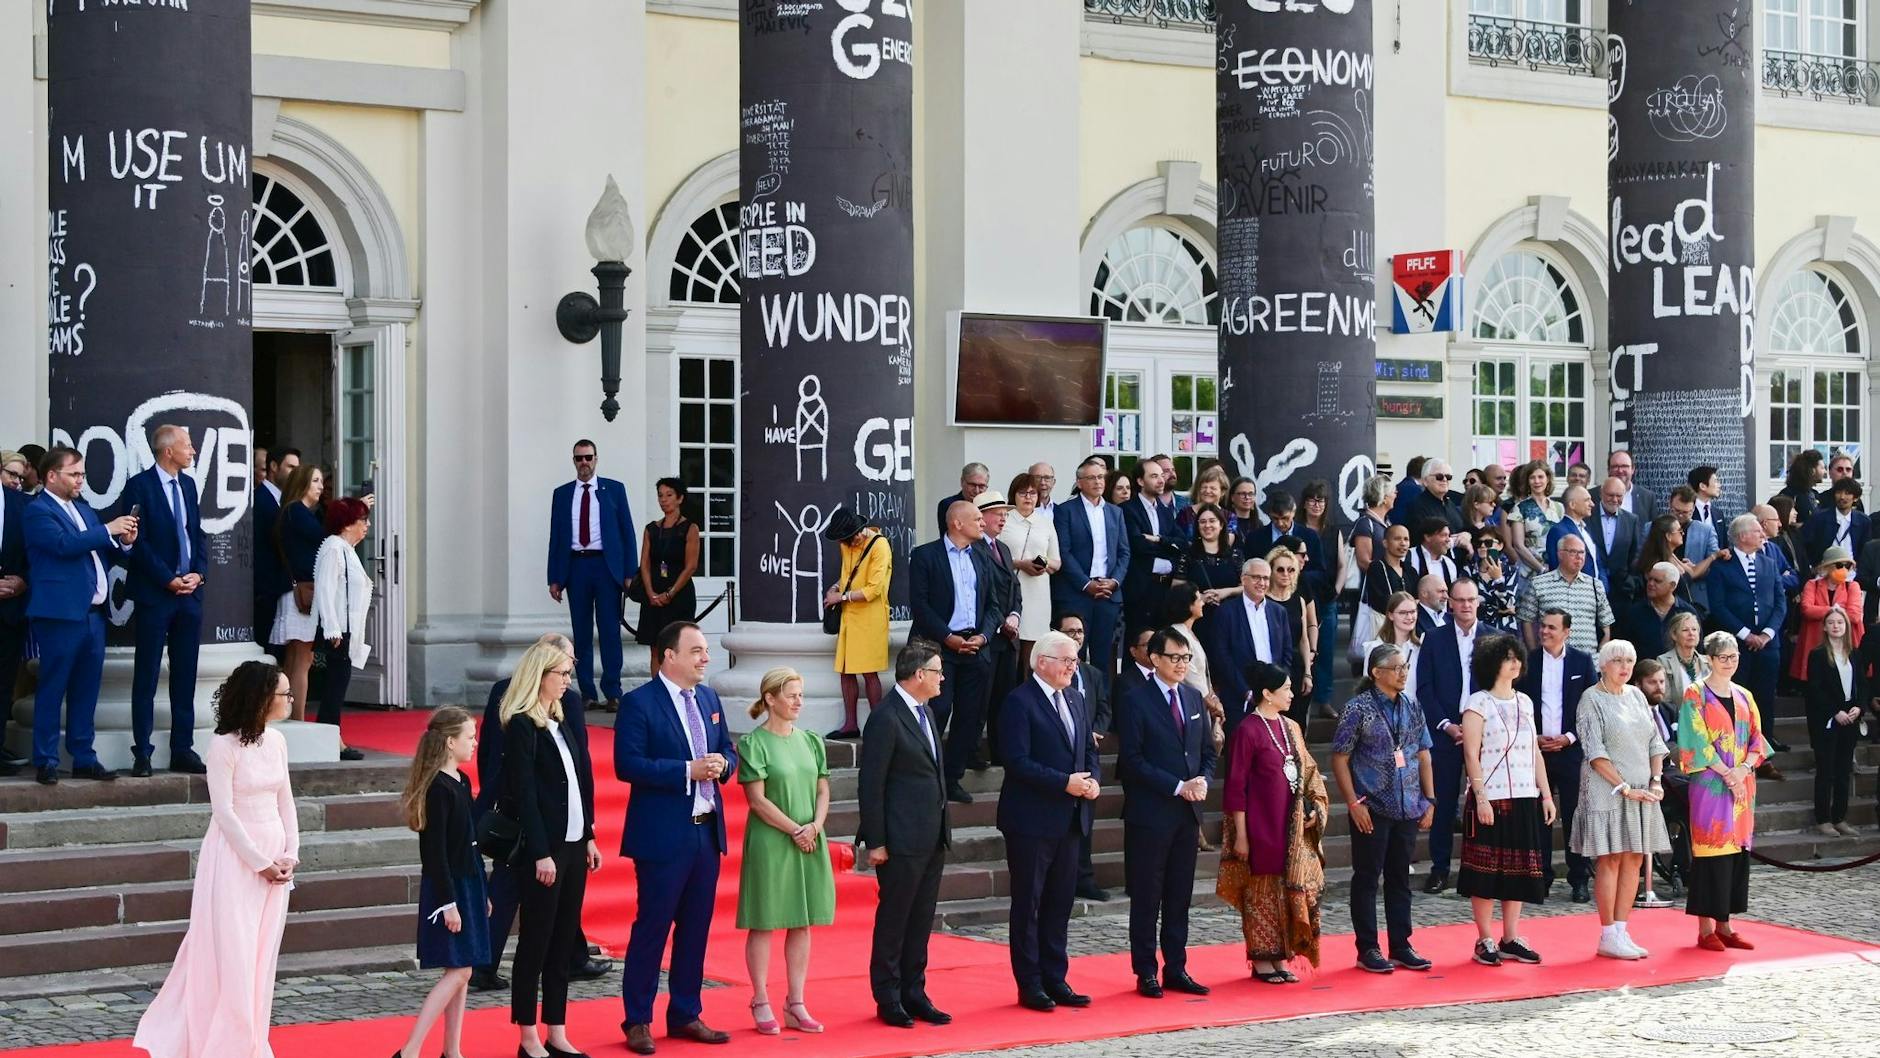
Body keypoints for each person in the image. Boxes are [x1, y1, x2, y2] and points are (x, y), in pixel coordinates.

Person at [132, 660, 298, 1058]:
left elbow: (285, 799)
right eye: (284, 694)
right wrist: (260, 862)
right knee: (234, 955)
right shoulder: (222, 746)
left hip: (275, 857)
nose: (290, 700)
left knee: (261, 957)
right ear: (261, 698)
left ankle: (253, 1041)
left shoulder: (276, 742)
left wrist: (291, 853)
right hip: (234, 860)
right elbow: (224, 813)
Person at [615, 623, 735, 1053]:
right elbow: (628, 764)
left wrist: (724, 762)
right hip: (663, 835)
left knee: (696, 928)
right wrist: (686, 770)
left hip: (706, 833)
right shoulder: (639, 703)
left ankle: (685, 1011)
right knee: (653, 926)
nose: (705, 658)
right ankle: (638, 1019)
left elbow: (727, 749)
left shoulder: (708, 698)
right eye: (697, 650)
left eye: (705, 651)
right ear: (669, 655)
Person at [470, 634, 605, 995]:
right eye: (566, 665)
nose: (569, 675)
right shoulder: (553, 704)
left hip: (512, 804)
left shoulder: (506, 688)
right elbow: (578, 768)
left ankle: (568, 956)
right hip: (531, 813)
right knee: (512, 885)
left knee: (523, 887)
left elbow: (574, 761)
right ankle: (497, 967)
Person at [500, 642, 601, 1058]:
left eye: (568, 674)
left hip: (575, 844)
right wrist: (541, 852)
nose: (566, 681)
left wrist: (590, 834)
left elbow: (581, 782)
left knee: (563, 942)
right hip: (545, 850)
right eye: (561, 673)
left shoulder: (561, 722)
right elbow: (524, 794)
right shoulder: (523, 725)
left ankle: (556, 1029)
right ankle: (527, 1035)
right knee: (536, 942)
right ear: (540, 675)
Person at [996, 629, 1101, 1012]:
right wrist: (1064, 783)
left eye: (1076, 660)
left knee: (1059, 903)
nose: (1074, 667)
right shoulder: (1019, 702)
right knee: (1029, 903)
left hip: (1071, 818)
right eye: (1067, 660)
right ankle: (1030, 983)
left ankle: (1056, 977)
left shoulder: (1074, 698)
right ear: (1042, 662)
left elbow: (1087, 749)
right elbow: (1016, 760)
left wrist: (1091, 782)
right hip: (1031, 820)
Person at [24, 446, 137, 784]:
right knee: (53, 686)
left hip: (92, 615)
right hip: (59, 614)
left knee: (87, 690)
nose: (80, 480)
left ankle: (83, 756)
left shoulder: (85, 511)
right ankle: (45, 759)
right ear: (51, 476)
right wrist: (108, 529)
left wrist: (125, 541)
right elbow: (64, 545)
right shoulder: (36, 510)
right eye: (74, 474)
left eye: (82, 474)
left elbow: (102, 547)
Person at [1115, 626, 1215, 998]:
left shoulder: (1191, 697)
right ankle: (1145, 970)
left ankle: (1177, 966)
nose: (1181, 664)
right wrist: (1177, 786)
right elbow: (1133, 759)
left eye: (1186, 657)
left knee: (1179, 895)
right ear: (1154, 659)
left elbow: (1206, 750)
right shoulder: (1135, 699)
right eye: (1174, 657)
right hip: (1150, 812)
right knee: (1147, 895)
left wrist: (1202, 779)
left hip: (1187, 814)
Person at [859, 639, 953, 1029]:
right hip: (899, 839)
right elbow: (871, 784)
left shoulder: (926, 714)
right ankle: (889, 995)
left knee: (921, 919)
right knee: (895, 919)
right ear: (918, 675)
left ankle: (915, 991)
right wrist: (877, 841)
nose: (942, 678)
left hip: (931, 836)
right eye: (937, 671)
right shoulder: (886, 717)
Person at [737, 668, 834, 1035]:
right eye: (791, 695)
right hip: (772, 840)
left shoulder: (810, 740)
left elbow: (823, 789)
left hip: (809, 837)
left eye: (800, 695)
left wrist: (815, 827)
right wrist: (795, 829)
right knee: (764, 920)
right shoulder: (754, 744)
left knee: (801, 919)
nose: (799, 702)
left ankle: (796, 1001)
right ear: (771, 700)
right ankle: (760, 998)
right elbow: (757, 801)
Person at [1218, 662, 1326, 983]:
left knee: (1285, 888)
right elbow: (1236, 786)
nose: (1292, 694)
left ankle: (1283, 955)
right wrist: (1240, 835)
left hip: (1290, 825)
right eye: (1286, 689)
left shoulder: (1291, 727)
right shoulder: (1247, 731)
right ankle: (1263, 958)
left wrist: (1312, 809)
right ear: (1267, 694)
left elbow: (1308, 773)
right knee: (1262, 891)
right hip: (1260, 823)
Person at [1332, 643, 1435, 974]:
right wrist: (1352, 802)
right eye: (1397, 668)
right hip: (1371, 805)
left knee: (1399, 877)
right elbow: (1340, 757)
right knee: (1367, 877)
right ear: (1377, 673)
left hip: (1406, 805)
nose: (1403, 673)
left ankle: (1401, 943)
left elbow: (1423, 753)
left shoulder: (1411, 705)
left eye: (1405, 667)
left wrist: (1429, 799)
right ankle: (1368, 948)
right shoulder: (1357, 709)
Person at [395, 706, 488, 1058]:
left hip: (469, 880)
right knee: (461, 970)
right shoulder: (438, 789)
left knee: (461, 970)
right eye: (470, 737)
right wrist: (449, 903)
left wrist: (481, 889)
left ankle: (453, 1050)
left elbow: (468, 842)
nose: (475, 743)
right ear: (450, 742)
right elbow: (434, 853)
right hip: (448, 887)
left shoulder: (461, 782)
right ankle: (410, 1050)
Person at [1455, 634, 1552, 967]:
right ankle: (1484, 938)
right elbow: (1471, 753)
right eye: (1507, 657)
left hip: (1525, 793)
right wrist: (1480, 796)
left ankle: (1510, 936)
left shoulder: (1525, 702)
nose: (1515, 663)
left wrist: (1546, 794)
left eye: (1517, 657)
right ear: (1492, 662)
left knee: (1519, 870)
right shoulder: (1477, 703)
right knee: (1486, 871)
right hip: (1491, 796)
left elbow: (1535, 750)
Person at [1571, 640, 1672, 960]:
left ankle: (1621, 930)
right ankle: (1606, 934)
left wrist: (1656, 781)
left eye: (1630, 660)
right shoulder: (1591, 699)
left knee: (1634, 858)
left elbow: (1656, 742)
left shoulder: (1637, 696)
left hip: (1642, 788)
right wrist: (1625, 787)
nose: (1625, 666)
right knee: (1610, 858)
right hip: (1607, 789)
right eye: (1617, 660)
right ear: (1602, 664)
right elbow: (1595, 752)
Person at [123, 424, 209, 777]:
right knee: (146, 674)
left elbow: (196, 534)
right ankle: (142, 752)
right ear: (167, 451)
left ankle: (182, 748)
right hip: (155, 596)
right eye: (187, 445)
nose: (193, 451)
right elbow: (136, 542)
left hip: (189, 597)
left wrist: (198, 574)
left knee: (185, 675)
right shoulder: (139, 486)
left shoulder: (188, 485)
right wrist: (167, 579)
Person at [1680, 631, 1772, 951]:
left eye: (1734, 657)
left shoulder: (1745, 695)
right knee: (1710, 852)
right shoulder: (1695, 693)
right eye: (1723, 657)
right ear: (1709, 659)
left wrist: (1743, 769)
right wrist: (1726, 773)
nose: (1730, 663)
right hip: (1710, 784)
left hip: (1742, 785)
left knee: (1736, 854)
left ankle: (1726, 925)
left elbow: (1758, 739)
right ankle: (1706, 928)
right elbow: (1695, 741)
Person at [910, 501, 1002, 804]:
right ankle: (926, 776)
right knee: (938, 709)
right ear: (957, 524)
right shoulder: (924, 556)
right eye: (977, 518)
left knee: (971, 716)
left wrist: (984, 636)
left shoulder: (983, 557)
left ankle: (952, 778)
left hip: (976, 648)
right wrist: (947, 637)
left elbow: (993, 605)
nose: (983, 523)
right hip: (939, 647)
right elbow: (920, 606)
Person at [547, 439, 639, 712]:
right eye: (579, 458)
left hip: (606, 567)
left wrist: (629, 572)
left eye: (588, 457)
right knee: (582, 633)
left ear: (596, 459)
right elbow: (556, 537)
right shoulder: (562, 494)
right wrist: (554, 577)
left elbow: (627, 532)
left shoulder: (614, 490)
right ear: (573, 461)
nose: (584, 463)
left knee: (610, 631)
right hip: (576, 567)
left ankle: (613, 691)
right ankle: (587, 691)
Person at [1516, 608, 1596, 901]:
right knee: (1539, 817)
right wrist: (1534, 737)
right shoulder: (1529, 662)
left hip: (1571, 751)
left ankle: (1579, 878)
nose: (1544, 632)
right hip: (1537, 752)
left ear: (1566, 631)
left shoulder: (1582, 660)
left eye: (1551, 627)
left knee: (1577, 815)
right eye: (1543, 626)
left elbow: (1589, 706)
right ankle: (1542, 878)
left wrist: (1569, 737)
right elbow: (1520, 704)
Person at [1415, 578, 1484, 894]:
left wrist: (1477, 725)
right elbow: (1424, 688)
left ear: (1478, 601)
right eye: (1459, 600)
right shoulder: (1434, 638)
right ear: (1450, 603)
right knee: (1442, 803)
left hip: (1483, 734)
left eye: (1471, 599)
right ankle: (1440, 869)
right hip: (1444, 733)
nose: (1466, 605)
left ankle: (1477, 869)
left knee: (1480, 802)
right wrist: (1445, 724)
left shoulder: (1495, 638)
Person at [1707, 514, 1786, 736]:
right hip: (1737, 646)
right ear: (1742, 536)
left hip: (1769, 645)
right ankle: (1738, 746)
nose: (1763, 534)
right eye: (1757, 531)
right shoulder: (1722, 567)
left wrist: (1766, 635)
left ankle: (1766, 747)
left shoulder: (1769, 564)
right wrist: (1746, 635)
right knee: (1737, 696)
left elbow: (1780, 602)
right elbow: (1719, 606)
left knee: (1766, 697)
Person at [1053, 459, 1129, 687]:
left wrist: (1114, 582)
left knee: (1104, 657)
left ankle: (1101, 715)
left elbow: (1124, 552)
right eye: (1091, 478)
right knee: (1072, 654)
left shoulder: (1115, 512)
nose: (1097, 482)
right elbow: (1064, 552)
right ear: (1079, 482)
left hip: (1108, 595)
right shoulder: (1066, 510)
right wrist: (1086, 584)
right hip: (1077, 594)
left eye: (1100, 477)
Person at [312, 498, 373, 762]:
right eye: (362, 520)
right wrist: (332, 628)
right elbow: (325, 589)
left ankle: (332, 737)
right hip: (338, 630)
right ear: (348, 523)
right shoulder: (334, 549)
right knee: (335, 686)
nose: (367, 525)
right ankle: (330, 739)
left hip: (344, 629)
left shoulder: (345, 548)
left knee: (338, 684)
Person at [1206, 558, 1295, 739]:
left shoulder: (1279, 612)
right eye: (1256, 577)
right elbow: (1222, 656)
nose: (1262, 583)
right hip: (1239, 700)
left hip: (1273, 700)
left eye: (1265, 578)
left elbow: (1286, 652)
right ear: (1243, 579)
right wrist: (1245, 691)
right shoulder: (1226, 612)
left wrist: (1278, 687)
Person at [824, 509, 891, 739]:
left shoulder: (880, 545)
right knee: (845, 670)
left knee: (869, 672)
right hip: (849, 616)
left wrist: (840, 597)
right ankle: (850, 724)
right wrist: (836, 587)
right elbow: (850, 574)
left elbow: (874, 589)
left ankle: (877, 725)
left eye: (848, 537)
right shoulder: (846, 545)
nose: (845, 542)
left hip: (870, 617)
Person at [1802, 606, 1865, 837]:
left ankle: (1840, 817)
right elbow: (1815, 690)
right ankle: (1823, 819)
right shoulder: (1818, 655)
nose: (1836, 626)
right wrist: (1834, 711)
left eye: (1840, 622)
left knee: (1843, 770)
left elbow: (1861, 685)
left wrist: (1859, 706)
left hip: (1850, 717)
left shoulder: (1855, 654)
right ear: (1825, 627)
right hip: (1828, 720)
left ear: (1847, 626)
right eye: (1832, 622)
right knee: (1826, 770)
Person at [269, 463, 325, 719]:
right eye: (315, 481)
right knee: (303, 660)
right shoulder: (298, 512)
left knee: (295, 659)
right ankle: (298, 717)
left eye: (321, 481)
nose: (320, 486)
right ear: (302, 483)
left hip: (292, 591)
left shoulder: (291, 512)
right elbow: (325, 539)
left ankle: (289, 713)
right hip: (301, 592)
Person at [974, 491, 1026, 766]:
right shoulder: (974, 548)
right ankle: (974, 751)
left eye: (1006, 514)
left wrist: (1015, 615)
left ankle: (999, 750)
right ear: (981, 516)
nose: (1003, 519)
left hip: (1008, 639)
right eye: (998, 513)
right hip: (988, 636)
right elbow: (984, 594)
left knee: (1003, 699)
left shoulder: (1003, 548)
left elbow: (1014, 589)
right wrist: (997, 624)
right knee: (981, 699)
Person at [1635, 659, 1691, 895]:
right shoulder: (1634, 713)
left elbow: (1681, 745)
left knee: (1695, 798)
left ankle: (1686, 869)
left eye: (1661, 682)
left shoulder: (1670, 710)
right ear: (1638, 685)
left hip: (1674, 775)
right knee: (1693, 794)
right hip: (1645, 778)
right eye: (1652, 682)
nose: (1658, 687)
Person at [633, 477, 700, 675]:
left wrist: (670, 594)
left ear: (680, 498)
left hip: (679, 595)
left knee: (679, 646)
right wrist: (651, 593)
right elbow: (644, 563)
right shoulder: (651, 529)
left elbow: (691, 566)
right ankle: (658, 694)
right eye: (660, 495)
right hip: (654, 593)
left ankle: (681, 691)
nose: (664, 500)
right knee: (656, 648)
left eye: (669, 495)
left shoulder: (690, 528)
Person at [1003, 471, 1062, 675]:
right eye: (1023, 493)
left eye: (1032, 493)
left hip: (1038, 591)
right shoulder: (1005, 520)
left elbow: (1056, 562)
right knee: (1010, 650)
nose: (1028, 497)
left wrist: (1042, 563)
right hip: (1010, 587)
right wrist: (1021, 563)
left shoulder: (1045, 522)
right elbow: (992, 557)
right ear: (1013, 495)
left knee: (1033, 650)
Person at [1516, 534, 1612, 654]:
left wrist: (1600, 656)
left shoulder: (1595, 585)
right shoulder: (1538, 583)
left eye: (1582, 552)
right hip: (1549, 660)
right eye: (1573, 552)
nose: (1579, 557)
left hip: (1588, 662)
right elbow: (1526, 620)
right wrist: (1535, 653)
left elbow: (1606, 624)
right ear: (1560, 554)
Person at [1122, 459, 1181, 636]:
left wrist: (1158, 540)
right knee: (1137, 642)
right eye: (1154, 476)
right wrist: (1167, 547)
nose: (1161, 480)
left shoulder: (1165, 511)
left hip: (1164, 590)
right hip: (1139, 590)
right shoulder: (1127, 509)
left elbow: (1182, 543)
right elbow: (1138, 545)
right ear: (1140, 481)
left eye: (1162, 475)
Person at [252, 446, 298, 658]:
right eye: (290, 467)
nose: (295, 473)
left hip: (280, 592)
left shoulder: (284, 501)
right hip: (266, 594)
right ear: (273, 467)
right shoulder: (260, 500)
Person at [1793, 545, 1864, 682]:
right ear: (1827, 567)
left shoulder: (1852, 586)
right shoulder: (1812, 585)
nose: (1844, 569)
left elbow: (1854, 615)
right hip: (1816, 640)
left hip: (1845, 642)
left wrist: (1823, 610)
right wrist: (1836, 610)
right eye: (1839, 565)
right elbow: (1807, 609)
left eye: (1848, 566)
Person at [1355, 522, 1412, 673]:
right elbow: (1382, 601)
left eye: (1406, 539)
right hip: (1383, 629)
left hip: (1407, 632)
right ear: (1385, 543)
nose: (1403, 543)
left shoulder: (1409, 570)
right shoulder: (1377, 567)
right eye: (1397, 539)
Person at [0, 475, 27, 767]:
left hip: (9, 609)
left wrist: (23, 581)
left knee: (4, 681)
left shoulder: (23, 505)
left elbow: (36, 554)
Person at [1266, 547, 1316, 699]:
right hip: (1271, 667)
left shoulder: (1299, 600)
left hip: (1297, 667)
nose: (1286, 574)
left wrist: (1308, 672)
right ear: (1271, 572)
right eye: (1280, 569)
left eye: (1291, 570)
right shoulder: (1263, 601)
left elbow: (1303, 639)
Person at [1620, 561, 1697, 658]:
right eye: (1650, 579)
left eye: (1657, 581)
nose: (1651, 584)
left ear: (1672, 585)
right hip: (1645, 671)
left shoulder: (1687, 613)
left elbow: (1697, 650)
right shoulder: (1635, 612)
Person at [1504, 460, 1561, 576]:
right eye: (1532, 478)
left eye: (1541, 477)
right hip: (1530, 570)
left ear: (1548, 479)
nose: (1537, 481)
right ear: (1527, 481)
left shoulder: (1559, 508)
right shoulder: (1519, 508)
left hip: (1557, 569)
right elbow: (1518, 545)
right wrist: (1541, 569)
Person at [1593, 477, 1643, 606]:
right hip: (1592, 588)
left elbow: (1635, 553)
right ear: (1601, 493)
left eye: (1619, 496)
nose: (1615, 500)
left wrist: (1631, 581)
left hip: (1622, 592)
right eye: (1610, 495)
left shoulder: (1631, 520)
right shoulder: (1588, 517)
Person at [1364, 590, 1423, 698]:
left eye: (1413, 611)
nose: (1409, 617)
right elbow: (1368, 687)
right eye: (1402, 613)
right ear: (1390, 615)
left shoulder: (1421, 647)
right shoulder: (1375, 647)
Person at [1180, 502, 1242, 603]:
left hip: (1228, 614)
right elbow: (1176, 587)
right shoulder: (1188, 554)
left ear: (1221, 525)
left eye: (1212, 521)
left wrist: (1227, 592)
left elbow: (1246, 586)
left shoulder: (1235, 554)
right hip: (1197, 613)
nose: (1207, 525)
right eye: (1202, 522)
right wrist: (1199, 597)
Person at [1803, 477, 1870, 570]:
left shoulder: (1863, 521)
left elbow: (1864, 549)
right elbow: (1807, 545)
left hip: (1852, 571)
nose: (1842, 497)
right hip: (1824, 570)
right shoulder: (1819, 518)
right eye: (1839, 492)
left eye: (1847, 493)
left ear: (1855, 498)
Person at [1544, 485, 1601, 585]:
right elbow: (1559, 569)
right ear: (1572, 504)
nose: (1592, 504)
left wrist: (1602, 587)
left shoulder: (1586, 529)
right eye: (1587, 500)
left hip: (1594, 593)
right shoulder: (1558, 531)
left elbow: (1597, 562)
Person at [1657, 611, 1709, 705]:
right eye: (1685, 630)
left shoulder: (1708, 662)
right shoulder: (1663, 662)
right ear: (1674, 635)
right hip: (1679, 717)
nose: (1691, 633)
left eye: (1694, 629)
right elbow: (1665, 702)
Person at [1407, 459, 1464, 535]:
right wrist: (1456, 540)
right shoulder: (1417, 506)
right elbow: (1425, 537)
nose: (1444, 480)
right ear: (1425, 481)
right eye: (1439, 476)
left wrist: (1467, 534)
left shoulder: (1451, 504)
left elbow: (1462, 528)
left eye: (1448, 477)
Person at [1177, 465, 1231, 536]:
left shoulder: (1229, 517)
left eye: (1213, 488)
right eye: (1204, 487)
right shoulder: (1185, 513)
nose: (1207, 491)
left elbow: (1227, 542)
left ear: (1222, 492)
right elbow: (1177, 539)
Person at [934, 461, 990, 530]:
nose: (977, 490)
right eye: (972, 485)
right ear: (962, 482)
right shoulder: (949, 505)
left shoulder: (990, 507)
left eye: (981, 486)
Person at [1607, 450, 1659, 522]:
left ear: (1633, 469)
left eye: (1624, 466)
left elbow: (1654, 529)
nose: (1620, 470)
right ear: (1608, 470)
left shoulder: (1647, 497)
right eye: (1615, 466)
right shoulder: (1593, 496)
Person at [1407, 518, 1458, 589]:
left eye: (1448, 535)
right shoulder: (1408, 557)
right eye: (1443, 535)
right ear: (1427, 537)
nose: (1448, 540)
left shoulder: (1450, 565)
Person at [1780, 449, 1827, 525]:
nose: (1825, 472)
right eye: (1822, 468)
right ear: (1812, 470)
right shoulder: (1788, 495)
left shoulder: (1814, 494)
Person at [1225, 476, 1262, 540]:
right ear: (1232, 497)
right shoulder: (1224, 521)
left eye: (1251, 494)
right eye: (1242, 494)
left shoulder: (1259, 525)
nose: (1247, 497)